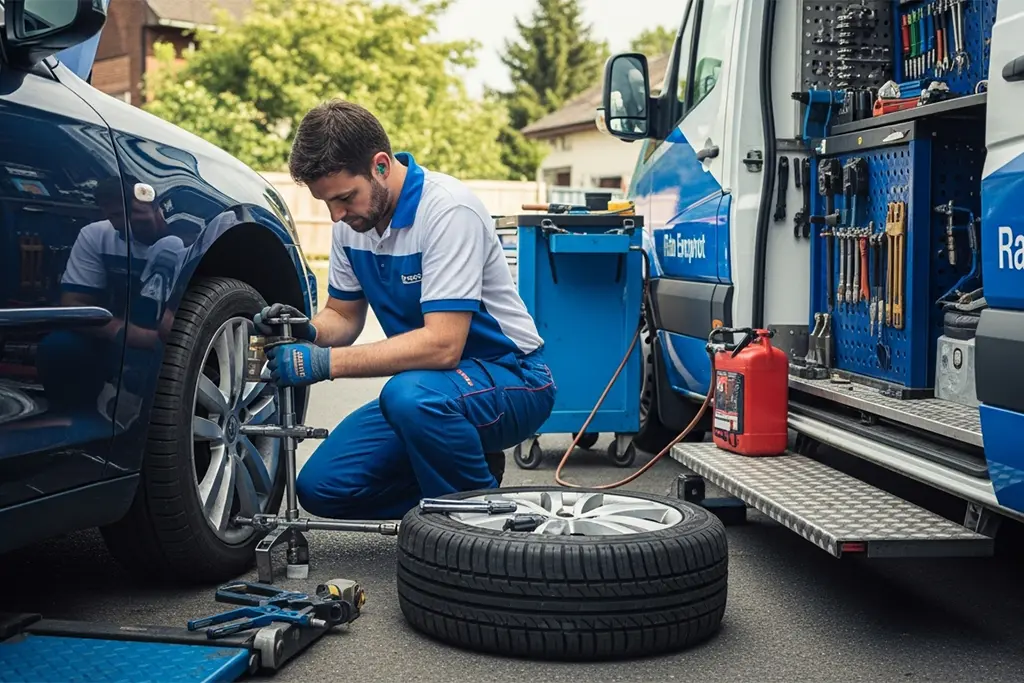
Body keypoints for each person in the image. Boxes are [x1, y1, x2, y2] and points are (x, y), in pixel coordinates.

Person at [257, 99, 556, 520]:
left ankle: (473, 526)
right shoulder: (352, 228)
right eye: (327, 203)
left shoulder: (448, 210)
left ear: (380, 165)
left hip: (513, 377)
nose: (337, 215)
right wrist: (308, 332)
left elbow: (443, 346)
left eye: (344, 198)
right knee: (322, 489)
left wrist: (323, 362)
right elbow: (343, 316)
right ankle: (466, 480)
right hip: (431, 389)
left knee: (409, 396)